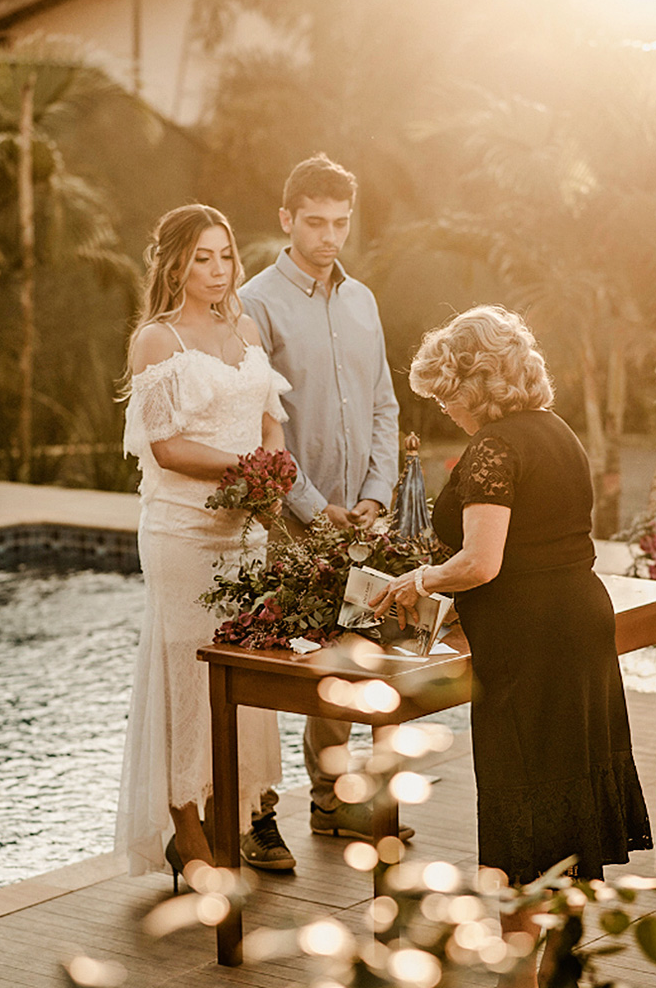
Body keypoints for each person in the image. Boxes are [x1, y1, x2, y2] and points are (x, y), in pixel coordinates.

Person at [371, 305, 653, 988]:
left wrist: (418, 578)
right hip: (577, 624)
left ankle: (516, 975)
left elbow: (481, 562)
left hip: (532, 642)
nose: (447, 410)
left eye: (448, 394)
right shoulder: (556, 432)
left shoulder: (496, 446)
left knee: (520, 807)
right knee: (567, 806)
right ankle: (563, 969)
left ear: (476, 382)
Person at [115, 204, 297, 887]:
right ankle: (183, 827)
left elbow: (268, 418)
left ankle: (228, 818)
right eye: (202, 258)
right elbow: (165, 446)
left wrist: (273, 470)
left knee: (241, 676)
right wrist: (243, 469)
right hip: (182, 531)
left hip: (246, 528)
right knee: (186, 674)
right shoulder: (156, 341)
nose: (217, 270)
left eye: (224, 255)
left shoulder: (243, 327)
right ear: (175, 265)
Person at [239, 153, 412, 855]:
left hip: (360, 515)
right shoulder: (255, 302)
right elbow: (258, 421)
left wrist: (374, 494)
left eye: (340, 222)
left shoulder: (362, 300)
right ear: (286, 219)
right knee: (282, 663)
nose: (329, 237)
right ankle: (255, 811)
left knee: (351, 655)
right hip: (291, 520)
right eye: (315, 222)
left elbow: (381, 402)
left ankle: (330, 802)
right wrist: (314, 509)